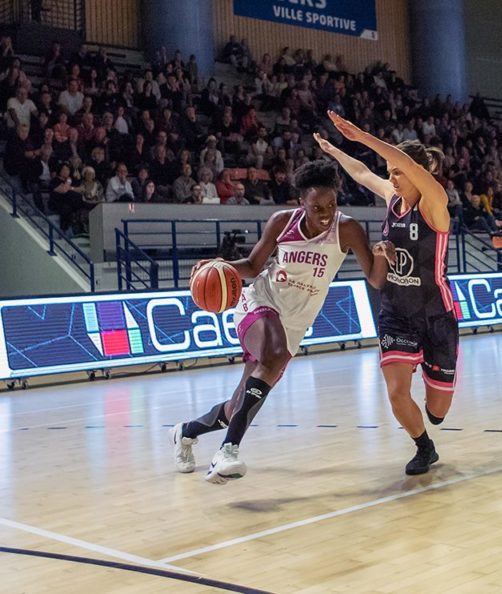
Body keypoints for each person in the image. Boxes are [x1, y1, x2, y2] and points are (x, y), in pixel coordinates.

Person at [171, 160, 393, 484]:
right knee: (272, 356)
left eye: (331, 205)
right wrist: (220, 265)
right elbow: (252, 265)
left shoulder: (347, 229)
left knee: (238, 407)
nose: (325, 213)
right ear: (301, 202)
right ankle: (226, 452)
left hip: (294, 324)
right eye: (316, 207)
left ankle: (186, 432)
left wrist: (383, 256)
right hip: (260, 302)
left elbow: (375, 278)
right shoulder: (282, 222)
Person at [316, 110, 458, 475]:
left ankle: (431, 406)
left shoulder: (435, 202)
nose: (392, 179)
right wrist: (335, 151)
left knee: (438, 411)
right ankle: (424, 447)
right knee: (396, 392)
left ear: (416, 172)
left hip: (435, 314)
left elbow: (405, 163)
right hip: (396, 310)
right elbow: (363, 173)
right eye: (390, 172)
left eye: (398, 172)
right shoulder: (392, 198)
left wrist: (362, 136)